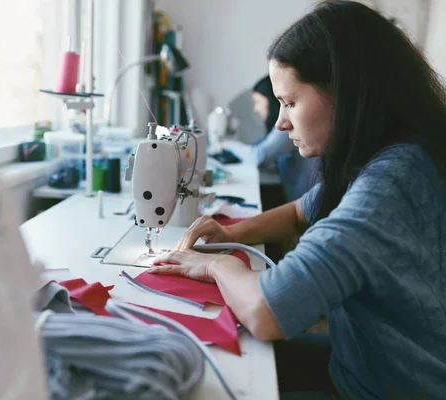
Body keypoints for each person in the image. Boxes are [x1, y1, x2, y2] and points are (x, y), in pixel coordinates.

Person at [149, 1, 446, 399]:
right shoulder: (397, 153)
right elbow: (299, 211)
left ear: (347, 92)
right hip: (362, 362)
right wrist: (229, 230)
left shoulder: (387, 187)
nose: (280, 121)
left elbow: (266, 312)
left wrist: (216, 266)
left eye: (289, 102)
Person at [248, 75, 318, 203]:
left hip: (300, 201)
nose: (255, 109)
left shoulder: (290, 127)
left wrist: (227, 144)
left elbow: (258, 155)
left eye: (290, 104)